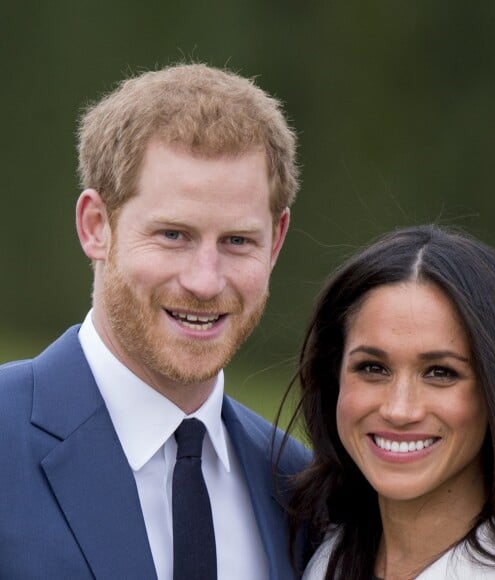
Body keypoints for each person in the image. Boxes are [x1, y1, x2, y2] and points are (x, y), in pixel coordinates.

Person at [0, 63, 311, 580]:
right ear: (96, 227)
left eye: (238, 241)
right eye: (173, 235)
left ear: (276, 242)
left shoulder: (298, 489)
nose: (206, 281)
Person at [281, 225, 495, 579]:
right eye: (373, 368)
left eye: (440, 373)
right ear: (334, 378)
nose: (399, 410)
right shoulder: (318, 560)